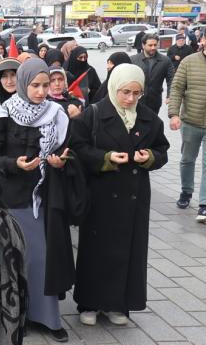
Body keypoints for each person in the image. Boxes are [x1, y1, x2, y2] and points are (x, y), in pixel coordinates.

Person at [70, 64, 169, 326]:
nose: (131, 98)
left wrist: (150, 157)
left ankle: (118, 304)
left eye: (137, 93)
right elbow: (77, 146)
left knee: (128, 249)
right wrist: (105, 158)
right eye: (125, 92)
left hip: (134, 196)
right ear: (114, 87)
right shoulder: (94, 113)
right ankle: (89, 302)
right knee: (95, 250)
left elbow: (162, 149)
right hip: (100, 194)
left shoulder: (149, 118)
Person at [0, 58, 72, 342]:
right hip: (12, 197)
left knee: (43, 256)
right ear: (24, 84)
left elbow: (68, 150)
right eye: (35, 85)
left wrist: (60, 162)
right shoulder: (3, 115)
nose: (41, 91)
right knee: (17, 257)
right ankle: (18, 316)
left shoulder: (56, 114)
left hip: (45, 195)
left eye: (46, 85)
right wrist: (15, 164)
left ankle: (47, 318)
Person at [168, 25, 206, 218]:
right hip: (190, 121)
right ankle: (186, 192)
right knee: (187, 160)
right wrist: (174, 114)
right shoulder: (189, 62)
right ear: (203, 40)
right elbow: (177, 88)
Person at [131, 33, 174, 114]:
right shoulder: (133, 60)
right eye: (150, 45)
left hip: (154, 101)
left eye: (155, 45)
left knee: (152, 121)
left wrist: (170, 95)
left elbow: (171, 80)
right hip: (136, 101)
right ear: (143, 45)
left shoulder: (165, 61)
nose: (153, 48)